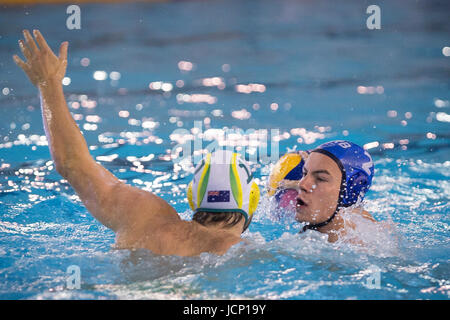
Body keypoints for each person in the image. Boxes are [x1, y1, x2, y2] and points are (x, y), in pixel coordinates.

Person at [13, 29, 260, 257]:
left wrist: (49, 84)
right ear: (251, 203)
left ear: (192, 197)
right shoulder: (240, 251)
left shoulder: (143, 215)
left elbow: (71, 163)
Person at [268, 140, 376, 242]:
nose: (301, 184)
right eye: (305, 174)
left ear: (349, 193)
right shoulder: (314, 234)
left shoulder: (365, 250)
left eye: (320, 178)